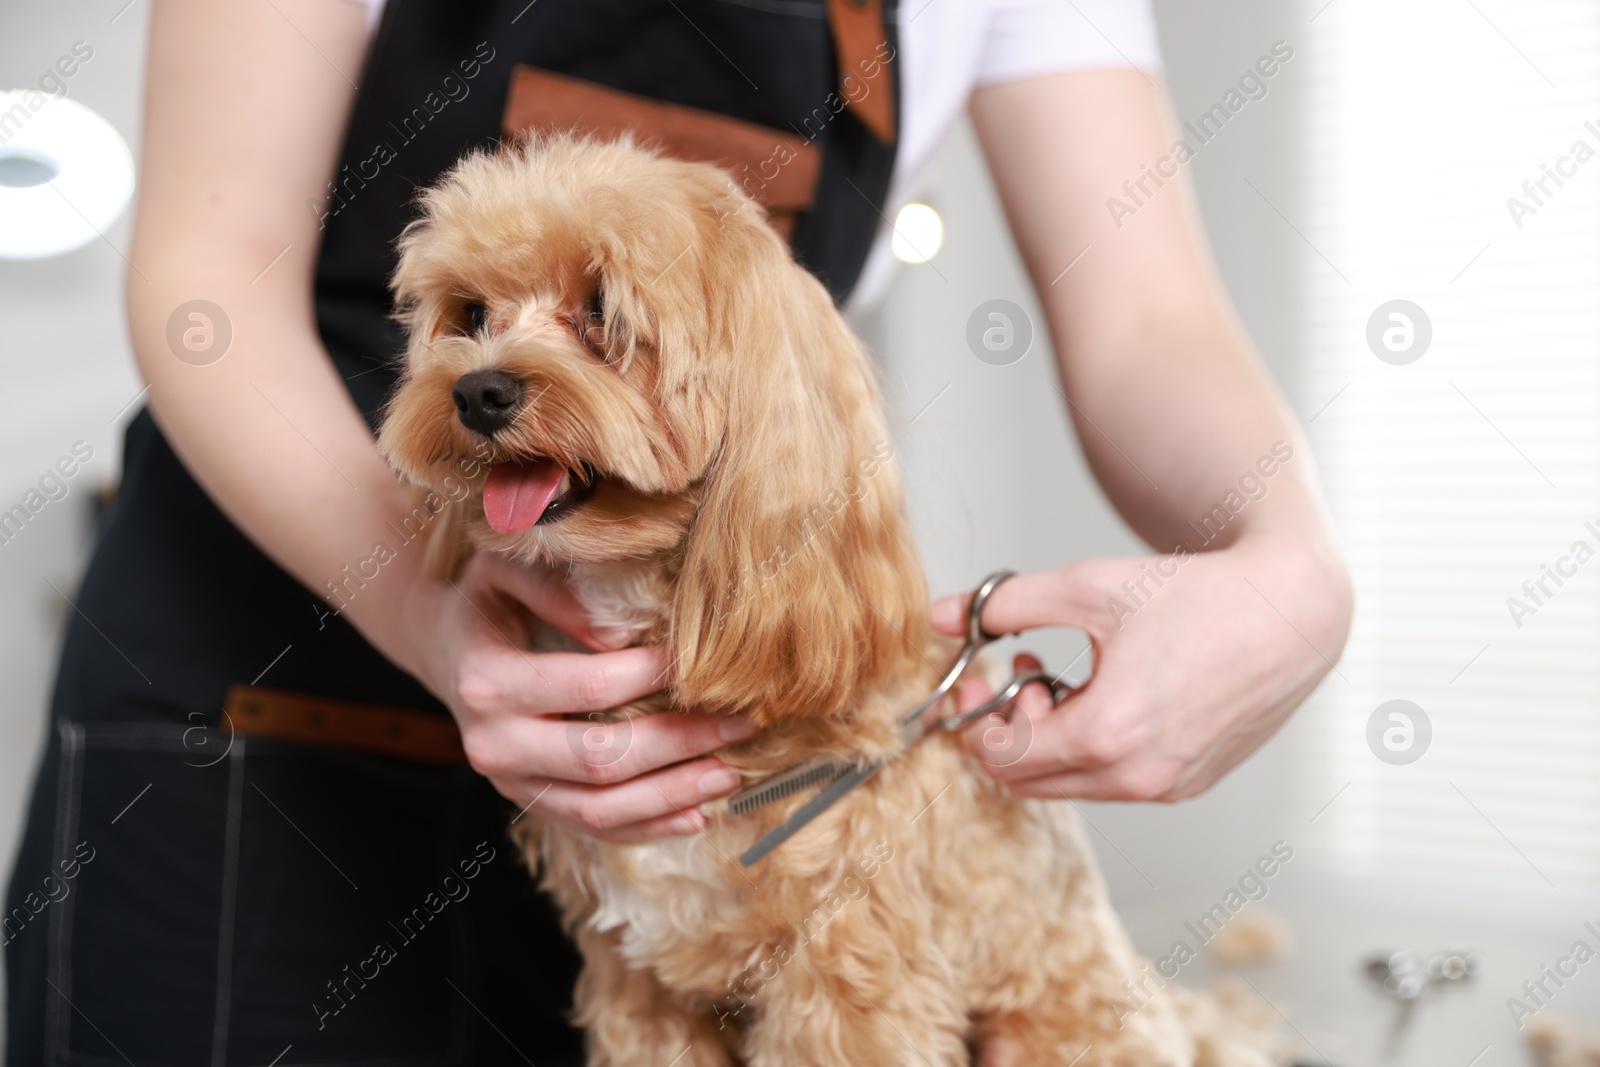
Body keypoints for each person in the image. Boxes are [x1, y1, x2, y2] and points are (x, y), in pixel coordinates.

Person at [4, 0, 1351, 1063]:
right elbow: (202, 279)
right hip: (264, 697)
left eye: (606, 320)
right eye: (472, 319)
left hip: (690, 764)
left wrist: (1292, 561)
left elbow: (1148, 324)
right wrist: (428, 611)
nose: (497, 367)